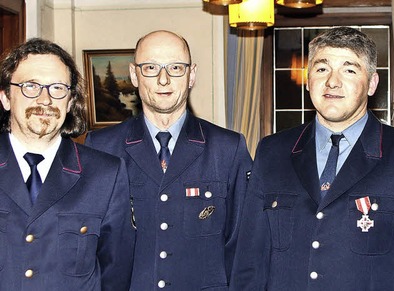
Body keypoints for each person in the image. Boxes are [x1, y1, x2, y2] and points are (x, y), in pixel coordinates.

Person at [230, 26, 394, 290]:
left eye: (349, 69)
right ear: (308, 79)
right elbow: (249, 265)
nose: (332, 82)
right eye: (322, 69)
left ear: (371, 84)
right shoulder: (272, 152)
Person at [85, 30, 252, 290]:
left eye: (175, 67)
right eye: (151, 67)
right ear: (134, 75)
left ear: (191, 75)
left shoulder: (228, 148)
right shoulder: (102, 147)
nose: (164, 79)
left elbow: (244, 247)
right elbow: (90, 249)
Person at [0, 38, 134, 290]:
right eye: (31, 86)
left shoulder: (105, 174)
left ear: (70, 101)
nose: (45, 99)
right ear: (6, 98)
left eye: (57, 88)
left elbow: (115, 273)